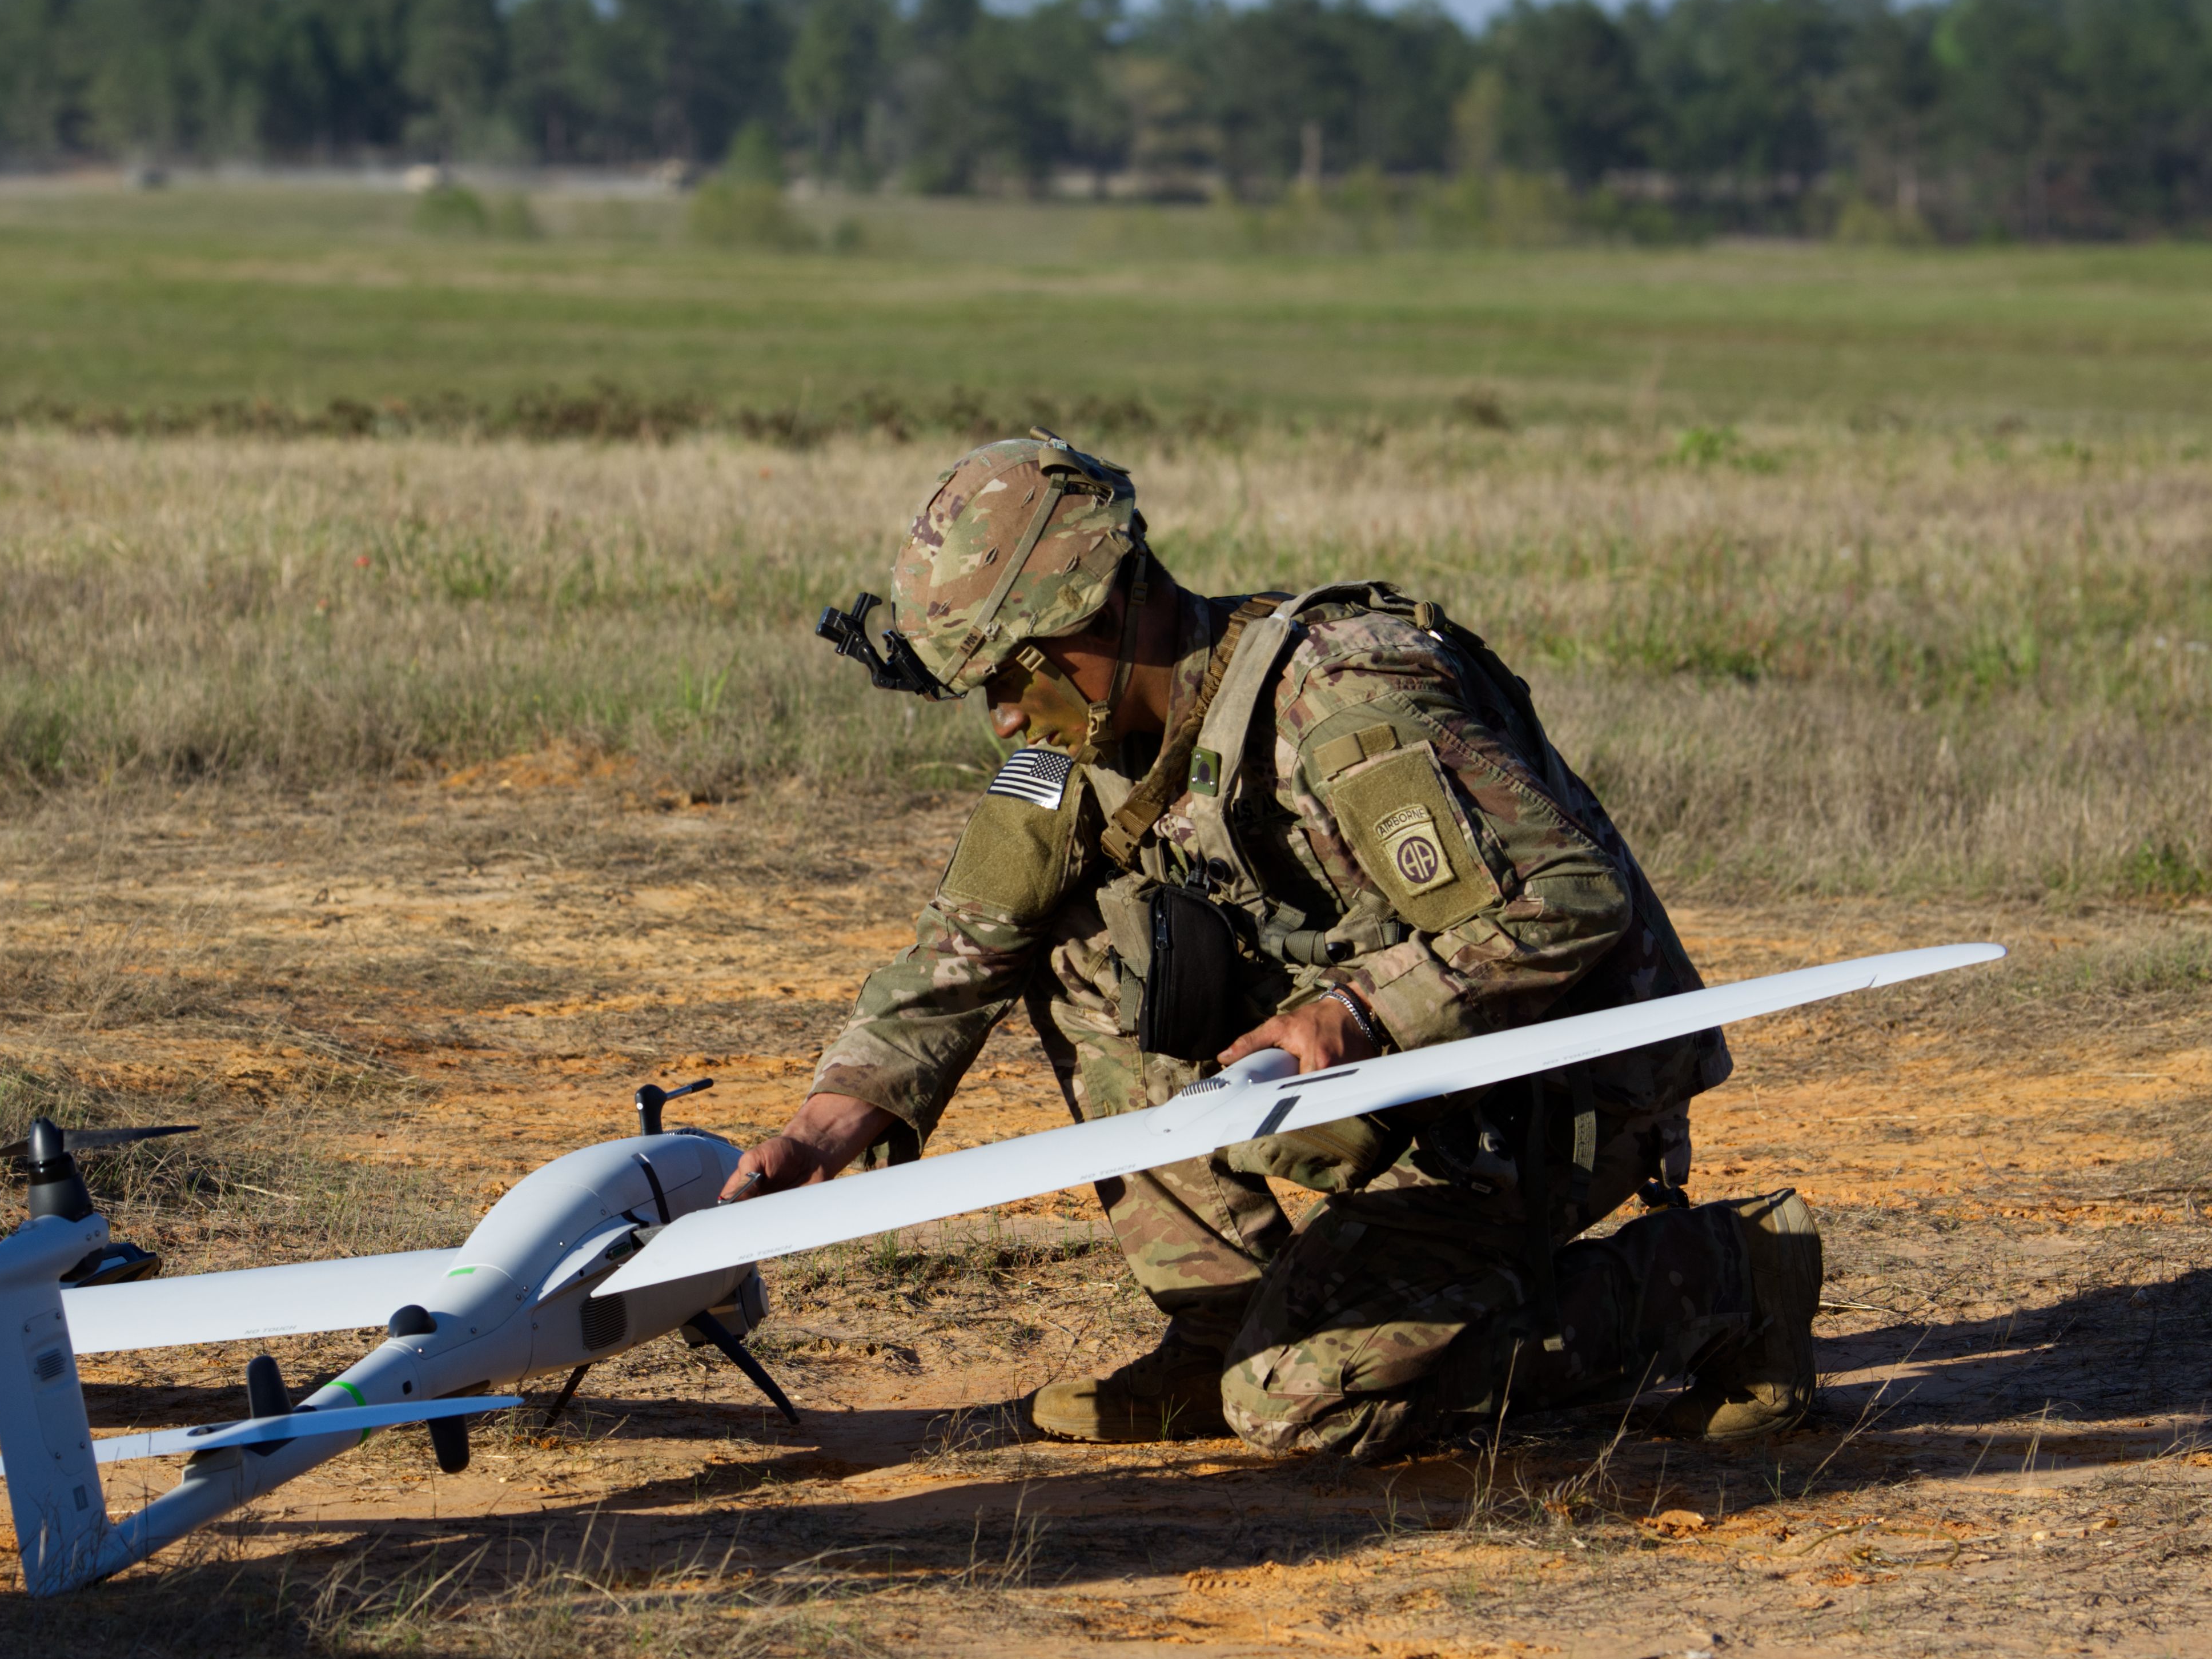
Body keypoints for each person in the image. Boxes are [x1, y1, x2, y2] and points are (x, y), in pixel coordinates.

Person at [724, 435, 1819, 1456]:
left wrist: (1353, 1015)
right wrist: (829, 1121)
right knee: (1077, 951)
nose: (1005, 718)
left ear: (1101, 617)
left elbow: (1569, 899)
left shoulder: (1346, 704)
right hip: (1380, 1075)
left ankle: (1722, 1273)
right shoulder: (1080, 751)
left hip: (1553, 1096)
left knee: (1307, 1403)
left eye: (1016, 674)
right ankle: (1217, 1328)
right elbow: (963, 945)